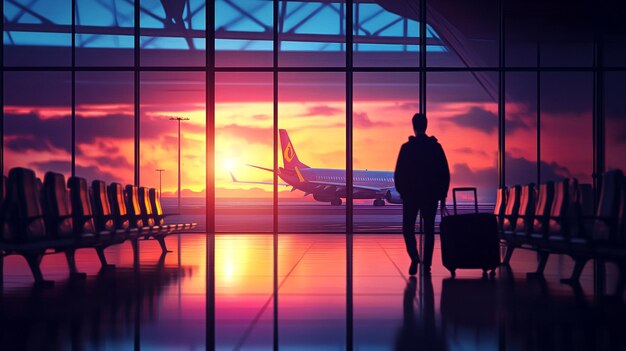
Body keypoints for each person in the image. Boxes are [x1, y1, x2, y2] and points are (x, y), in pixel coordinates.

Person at [394, 113, 450, 276]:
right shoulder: (435, 147)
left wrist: (403, 192)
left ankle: (414, 257)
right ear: (426, 125)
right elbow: (444, 173)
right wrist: (442, 194)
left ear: (413, 126)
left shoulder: (407, 148)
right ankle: (427, 264)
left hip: (411, 196)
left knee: (407, 229)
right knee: (429, 230)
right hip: (430, 196)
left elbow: (399, 174)